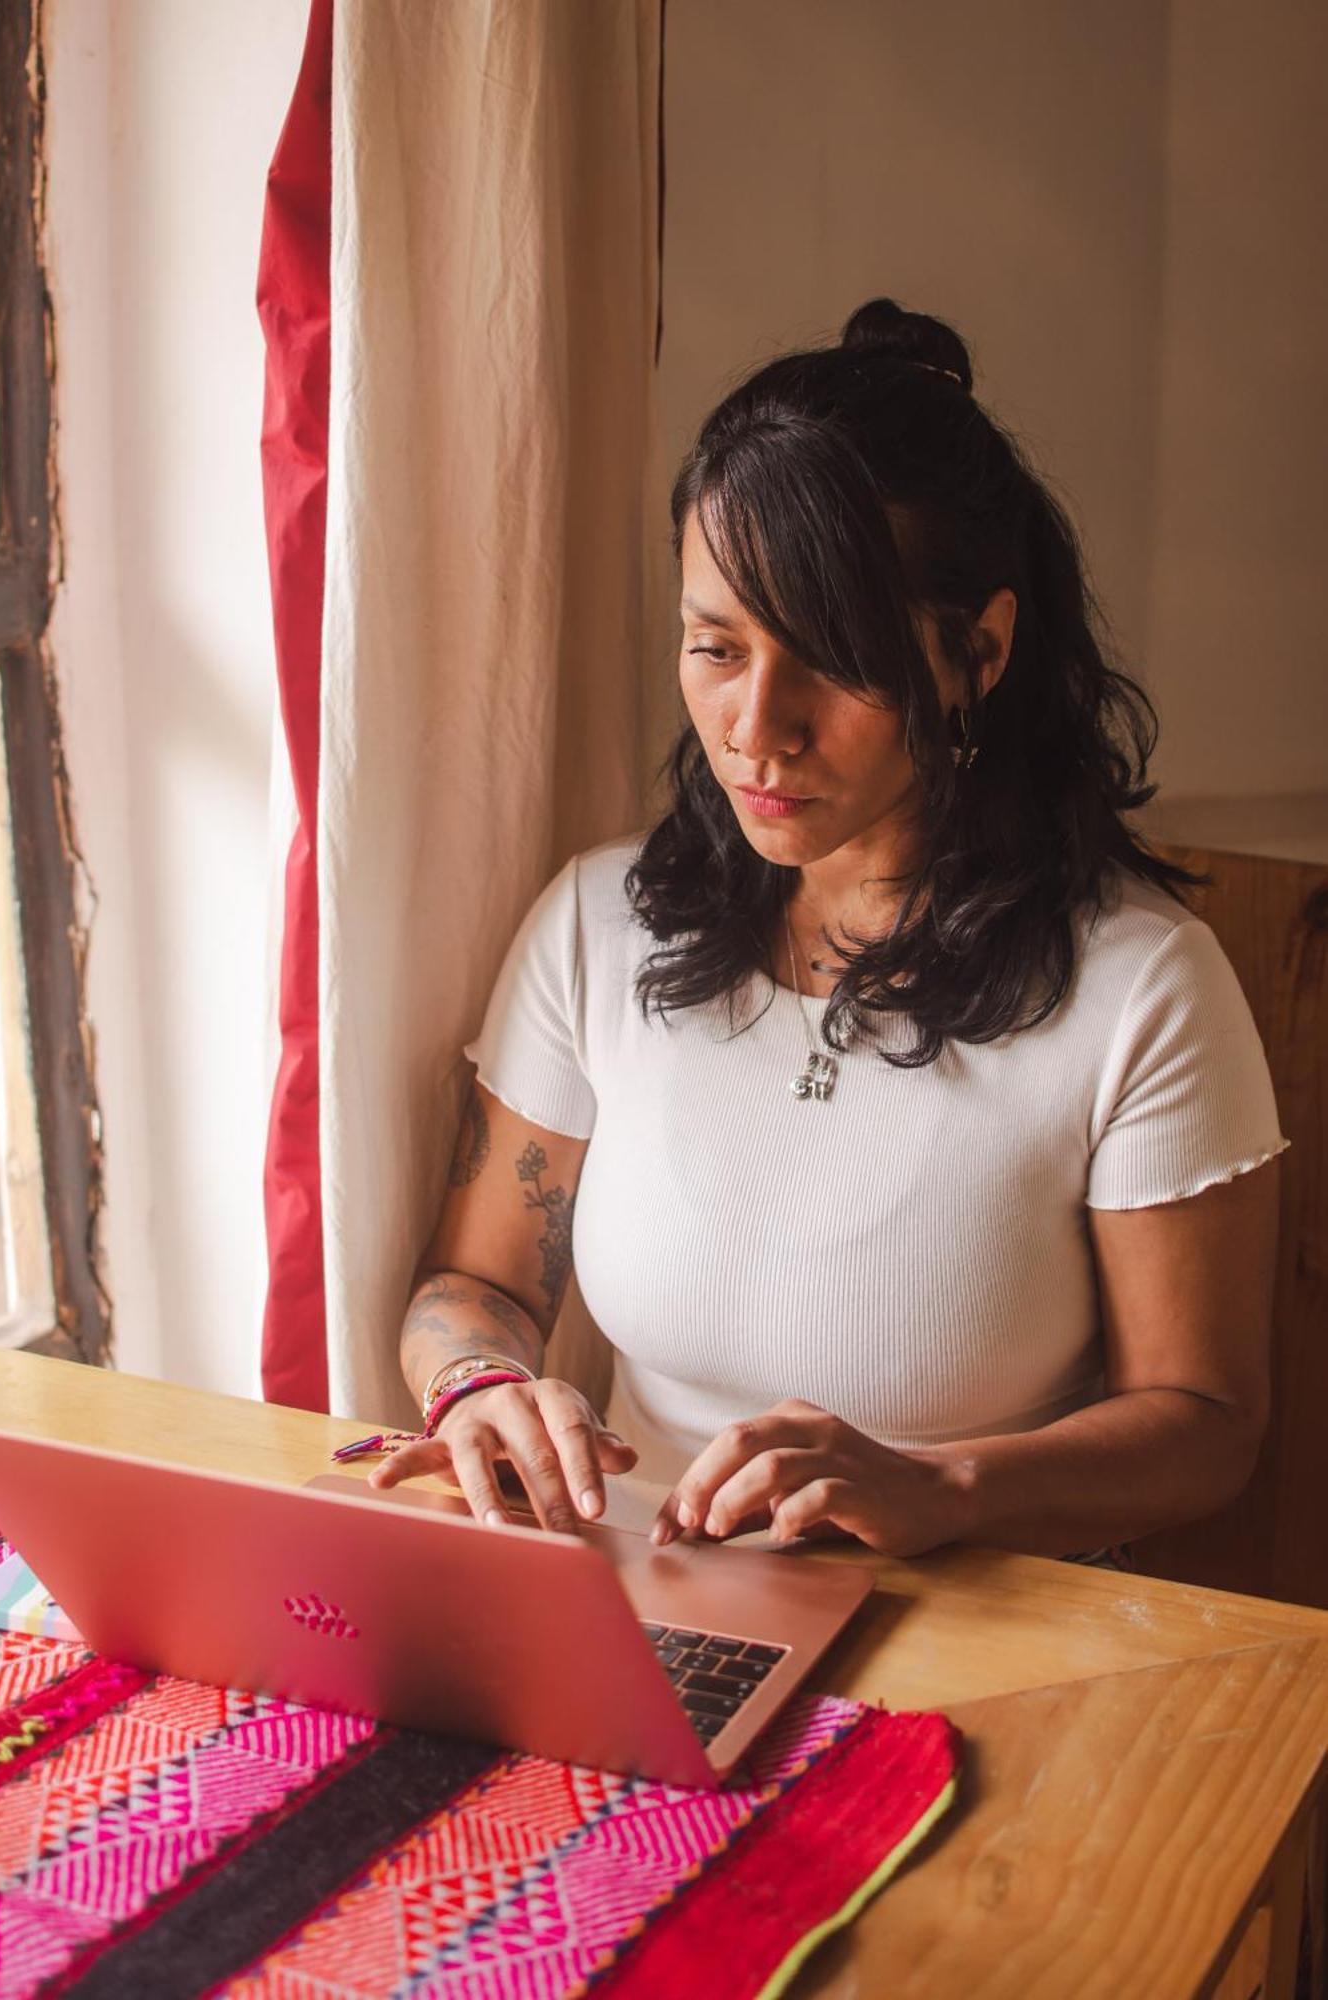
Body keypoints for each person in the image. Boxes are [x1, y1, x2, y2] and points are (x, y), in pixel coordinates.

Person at [370, 298, 1286, 1565]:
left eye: (832, 664)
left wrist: (943, 1487)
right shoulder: (596, 922)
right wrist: (478, 1385)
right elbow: (476, 1286)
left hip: (976, 1631)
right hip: (639, 1605)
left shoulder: (1142, 990)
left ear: (978, 650)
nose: (756, 724)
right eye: (713, 647)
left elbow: (1208, 1422)